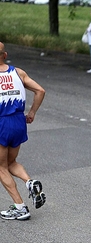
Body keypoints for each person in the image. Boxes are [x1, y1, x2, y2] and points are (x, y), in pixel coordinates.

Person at [0, 42, 46, 220]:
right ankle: (30, 182)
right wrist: (32, 112)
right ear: (5, 55)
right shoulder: (18, 73)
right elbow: (40, 91)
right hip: (19, 122)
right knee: (11, 162)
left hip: (1, 123)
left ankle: (20, 207)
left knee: (1, 167)